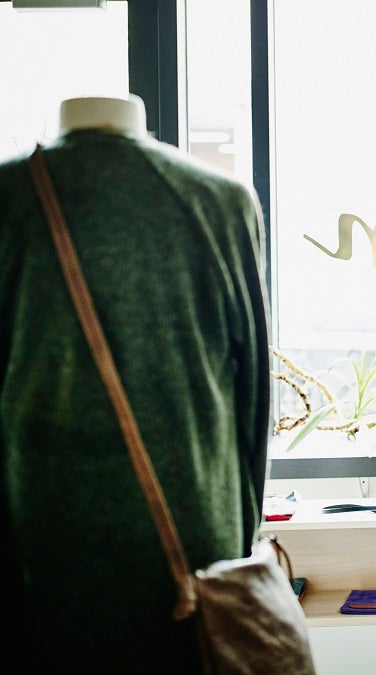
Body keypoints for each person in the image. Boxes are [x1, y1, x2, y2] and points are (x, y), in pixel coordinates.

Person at [0, 95, 272, 671]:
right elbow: (252, 397)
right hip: (198, 557)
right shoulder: (221, 202)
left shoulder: (9, 197)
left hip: (41, 551)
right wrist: (241, 534)